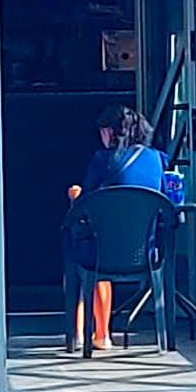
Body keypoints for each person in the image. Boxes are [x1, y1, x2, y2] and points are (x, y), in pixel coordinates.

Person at [63, 105, 167, 352]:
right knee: (100, 246)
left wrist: (74, 196)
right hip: (146, 253)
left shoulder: (102, 160)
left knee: (85, 250)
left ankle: (92, 333)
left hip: (103, 253)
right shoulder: (157, 160)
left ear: (110, 132)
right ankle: (102, 334)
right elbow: (164, 201)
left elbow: (86, 203)